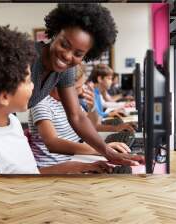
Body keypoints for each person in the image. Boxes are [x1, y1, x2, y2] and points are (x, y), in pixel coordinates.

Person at [0, 26, 113, 174]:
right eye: (28, 81)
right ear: (4, 96)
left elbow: (29, 173)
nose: (34, 87)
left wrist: (79, 166)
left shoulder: (12, 122)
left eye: (78, 54)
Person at [28, 3, 142, 165]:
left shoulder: (66, 70)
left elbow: (77, 116)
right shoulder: (28, 57)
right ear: (56, 33)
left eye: (78, 53)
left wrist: (107, 151)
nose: (68, 56)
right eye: (64, 44)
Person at [28, 67, 139, 167]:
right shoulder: (42, 103)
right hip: (55, 166)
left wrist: (93, 108)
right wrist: (99, 150)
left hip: (75, 159)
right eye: (77, 88)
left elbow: (92, 126)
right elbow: (52, 143)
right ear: (59, 85)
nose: (81, 91)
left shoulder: (68, 102)